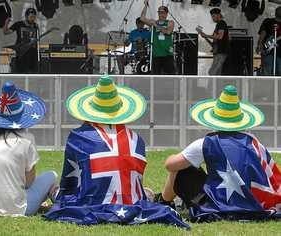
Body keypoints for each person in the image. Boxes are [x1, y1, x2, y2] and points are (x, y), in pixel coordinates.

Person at [44, 75, 189, 228]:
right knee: (148, 192)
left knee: (54, 189)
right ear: (121, 110)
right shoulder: (137, 139)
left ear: (90, 110)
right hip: (131, 203)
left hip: (93, 204)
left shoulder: (78, 136)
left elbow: (69, 183)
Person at [157, 85, 281, 222]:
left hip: (218, 206)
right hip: (252, 205)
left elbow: (170, 166)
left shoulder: (205, 143)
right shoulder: (253, 142)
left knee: (180, 169)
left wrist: (172, 156)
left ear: (213, 119)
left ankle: (164, 202)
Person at [0, 81, 58, 216]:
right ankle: (60, 199)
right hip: (15, 209)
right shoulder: (26, 140)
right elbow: (29, 183)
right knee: (52, 175)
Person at [141, 0, 175, 75]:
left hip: (167, 53)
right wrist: (146, 5)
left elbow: (168, 31)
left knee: (169, 76)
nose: (161, 14)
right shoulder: (154, 22)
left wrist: (156, 25)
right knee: (156, 75)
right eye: (159, 12)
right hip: (156, 53)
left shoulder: (170, 22)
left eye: (162, 12)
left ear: (166, 14)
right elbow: (142, 18)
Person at [3, 8, 39, 73]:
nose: (32, 19)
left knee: (32, 71)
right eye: (31, 17)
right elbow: (6, 32)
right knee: (21, 71)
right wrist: (6, 23)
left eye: (34, 17)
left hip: (32, 53)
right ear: (26, 16)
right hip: (21, 53)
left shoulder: (35, 26)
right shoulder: (19, 24)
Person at [197, 8, 229, 75]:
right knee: (217, 73)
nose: (212, 18)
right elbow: (213, 44)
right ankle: (217, 85)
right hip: (217, 52)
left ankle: (212, 85)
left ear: (218, 15)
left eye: (213, 16)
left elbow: (220, 36)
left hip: (221, 52)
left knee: (212, 72)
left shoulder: (221, 23)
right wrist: (205, 36)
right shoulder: (218, 25)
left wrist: (207, 35)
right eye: (212, 16)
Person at [256, 6, 281, 76]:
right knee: (267, 74)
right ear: (276, 13)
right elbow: (262, 34)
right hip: (268, 53)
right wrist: (259, 45)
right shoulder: (268, 21)